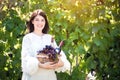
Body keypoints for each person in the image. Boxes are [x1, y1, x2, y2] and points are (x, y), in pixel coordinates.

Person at [21, 9, 70, 80]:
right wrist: (42, 65)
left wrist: (60, 63)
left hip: (49, 76)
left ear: (45, 22)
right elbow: (26, 58)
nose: (40, 23)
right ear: (32, 21)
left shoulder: (49, 38)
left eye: (42, 20)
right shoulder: (28, 38)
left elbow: (58, 54)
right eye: (37, 20)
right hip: (33, 77)